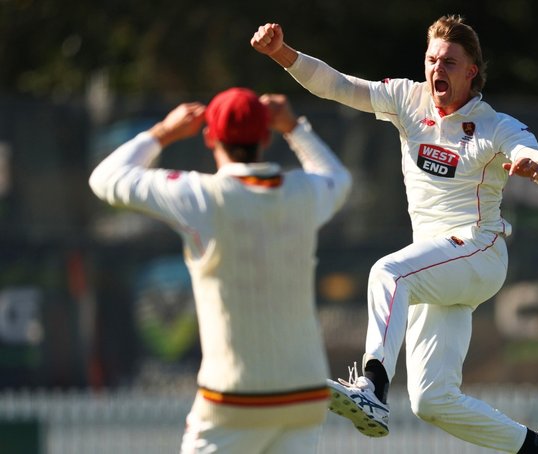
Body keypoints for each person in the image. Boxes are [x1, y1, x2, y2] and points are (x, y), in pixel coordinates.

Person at [252, 15, 538, 454]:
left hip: (479, 252)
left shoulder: (494, 124)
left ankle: (372, 386)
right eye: (432, 59)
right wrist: (281, 55)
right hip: (437, 265)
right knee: (432, 400)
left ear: (470, 72)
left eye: (449, 62)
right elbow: (338, 85)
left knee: (389, 272)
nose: (437, 68)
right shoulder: (408, 98)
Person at [89, 88, 352, 453]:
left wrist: (162, 133)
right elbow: (338, 177)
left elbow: (105, 178)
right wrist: (294, 127)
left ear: (210, 136)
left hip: (234, 399)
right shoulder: (303, 192)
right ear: (265, 136)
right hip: (303, 395)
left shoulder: (200, 196)